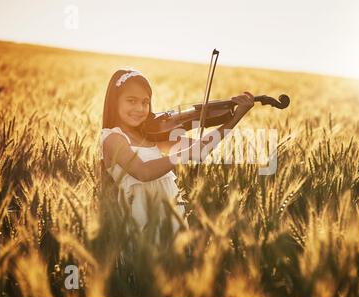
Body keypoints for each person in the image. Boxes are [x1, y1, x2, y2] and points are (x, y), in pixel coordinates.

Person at [99, 68, 254, 239]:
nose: (140, 108)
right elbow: (143, 172)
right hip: (139, 221)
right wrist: (182, 155)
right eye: (131, 101)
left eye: (145, 102)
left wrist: (234, 119)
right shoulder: (113, 138)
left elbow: (201, 149)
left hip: (169, 215)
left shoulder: (152, 136)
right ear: (115, 102)